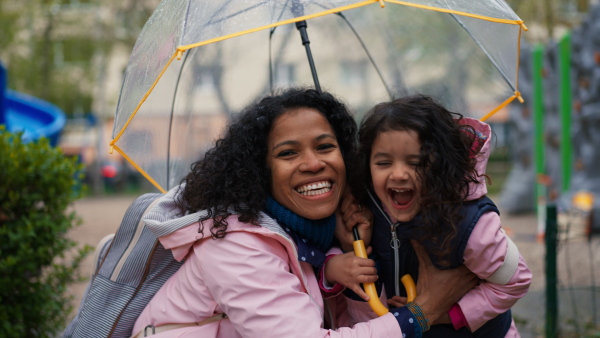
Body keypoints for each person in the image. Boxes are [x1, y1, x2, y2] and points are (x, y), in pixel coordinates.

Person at [131, 88, 478, 337]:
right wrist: (424, 312)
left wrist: (347, 253)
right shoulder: (234, 246)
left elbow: (352, 327)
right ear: (261, 172)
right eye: (288, 153)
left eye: (326, 146)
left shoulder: (313, 237)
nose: (314, 164)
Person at [332, 94, 531, 337]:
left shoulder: (469, 224)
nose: (398, 174)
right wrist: (338, 261)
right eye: (383, 163)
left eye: (416, 163)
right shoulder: (363, 211)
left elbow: (515, 280)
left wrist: (452, 313)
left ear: (441, 164)